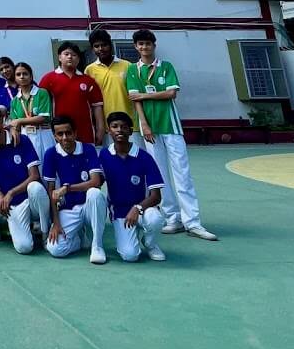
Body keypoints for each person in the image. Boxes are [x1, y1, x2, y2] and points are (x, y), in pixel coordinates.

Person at [126, 28, 217, 240]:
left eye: (148, 43)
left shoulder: (166, 67)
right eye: (140, 44)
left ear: (154, 45)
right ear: (136, 47)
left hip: (171, 126)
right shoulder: (132, 70)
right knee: (159, 175)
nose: (144, 47)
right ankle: (173, 218)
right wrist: (144, 124)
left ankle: (193, 222)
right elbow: (135, 100)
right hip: (150, 129)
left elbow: (171, 93)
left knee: (182, 173)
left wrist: (145, 95)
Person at [0, 105, 49, 254]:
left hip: (30, 198)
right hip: (14, 205)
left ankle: (45, 232)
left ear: (2, 119)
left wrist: (11, 192)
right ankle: (2, 225)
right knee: (24, 247)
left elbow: (34, 175)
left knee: (35, 187)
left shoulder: (22, 140)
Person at [99, 112, 167, 262]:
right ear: (109, 131)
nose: (119, 130)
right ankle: (131, 237)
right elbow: (97, 182)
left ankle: (150, 244)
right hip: (120, 213)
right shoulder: (104, 155)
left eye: (124, 127)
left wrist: (137, 208)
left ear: (130, 131)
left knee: (155, 218)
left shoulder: (144, 157)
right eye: (115, 126)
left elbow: (156, 196)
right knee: (130, 256)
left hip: (143, 210)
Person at [40, 114, 107, 264]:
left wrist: (67, 188)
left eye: (68, 133)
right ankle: (78, 239)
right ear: (54, 136)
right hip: (68, 209)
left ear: (75, 133)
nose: (65, 138)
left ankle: (97, 246)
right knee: (55, 249)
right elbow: (51, 191)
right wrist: (56, 222)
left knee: (95, 193)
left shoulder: (88, 149)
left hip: (89, 206)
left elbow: (96, 181)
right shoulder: (51, 154)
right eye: (60, 134)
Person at [39, 42, 105, 147]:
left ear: (78, 59)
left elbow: (97, 107)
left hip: (85, 132)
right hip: (60, 133)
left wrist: (100, 129)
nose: (70, 57)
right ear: (59, 57)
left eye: (74, 55)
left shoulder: (88, 80)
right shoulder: (48, 79)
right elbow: (41, 106)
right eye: (66, 54)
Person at [85, 31, 138, 146]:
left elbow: (136, 95)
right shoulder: (89, 70)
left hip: (130, 125)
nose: (101, 49)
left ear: (110, 45)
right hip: (106, 127)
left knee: (134, 155)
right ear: (93, 49)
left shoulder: (127, 66)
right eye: (96, 46)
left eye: (104, 45)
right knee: (110, 156)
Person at [7, 61, 55, 161]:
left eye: (25, 74)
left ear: (31, 76)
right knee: (31, 165)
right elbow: (13, 123)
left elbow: (43, 117)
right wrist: (13, 129)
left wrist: (20, 121)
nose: (22, 77)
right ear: (15, 78)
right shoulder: (15, 100)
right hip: (25, 136)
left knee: (47, 163)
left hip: (43, 134)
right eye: (18, 74)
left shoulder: (42, 93)